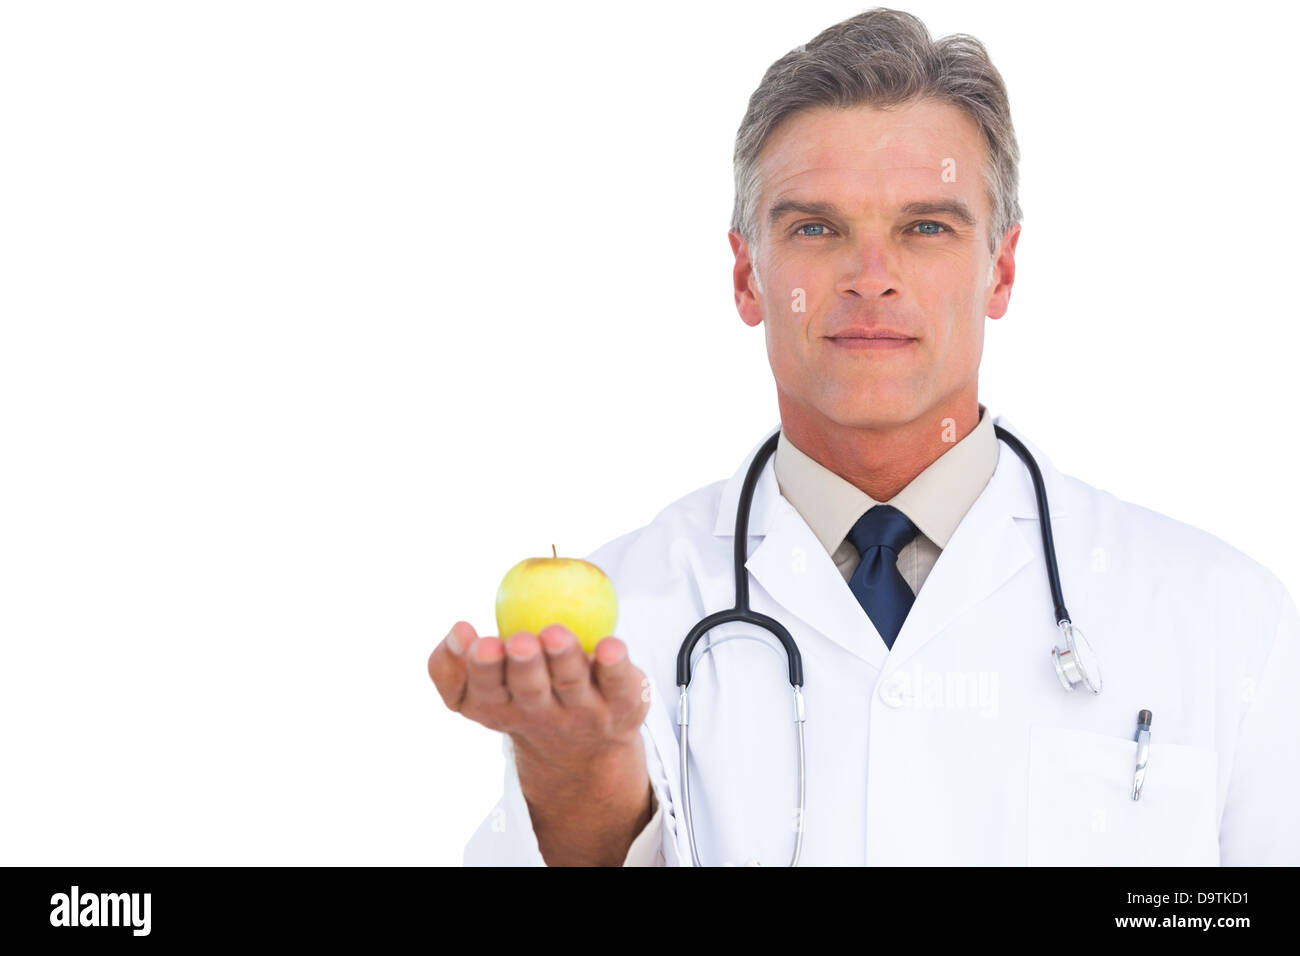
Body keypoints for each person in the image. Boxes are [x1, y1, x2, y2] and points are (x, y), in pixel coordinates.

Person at [429, 7, 1300, 866]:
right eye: (816, 228)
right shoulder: (618, 623)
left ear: (1000, 268)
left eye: (926, 227)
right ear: (747, 276)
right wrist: (578, 783)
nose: (870, 279)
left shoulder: (1226, 620)